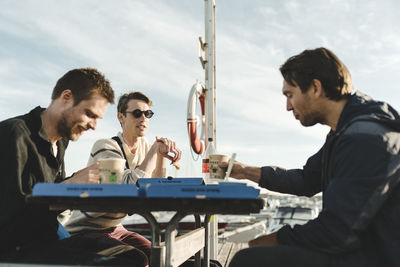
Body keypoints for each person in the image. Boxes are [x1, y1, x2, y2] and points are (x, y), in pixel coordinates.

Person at [225, 48, 400, 267]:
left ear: (315, 88)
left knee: (249, 261)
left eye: (290, 95)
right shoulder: (344, 131)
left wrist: (276, 239)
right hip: (358, 249)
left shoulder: (366, 138)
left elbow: (336, 231)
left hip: (374, 256)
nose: (288, 106)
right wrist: (242, 170)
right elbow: (306, 180)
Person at [0, 68, 148, 266]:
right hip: (18, 249)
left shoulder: (60, 142)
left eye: (98, 119)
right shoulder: (15, 135)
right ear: (67, 97)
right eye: (89, 114)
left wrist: (76, 182)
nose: (94, 126)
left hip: (48, 239)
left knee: (135, 257)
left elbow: (41, 194)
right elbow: (12, 220)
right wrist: (70, 184)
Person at [63, 91, 182, 264]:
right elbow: (127, 187)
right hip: (85, 229)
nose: (143, 118)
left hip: (116, 228)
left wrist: (161, 156)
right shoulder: (105, 146)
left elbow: (156, 187)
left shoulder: (145, 147)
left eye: (147, 114)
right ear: (121, 117)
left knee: (159, 257)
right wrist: (153, 152)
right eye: (137, 113)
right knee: (137, 260)